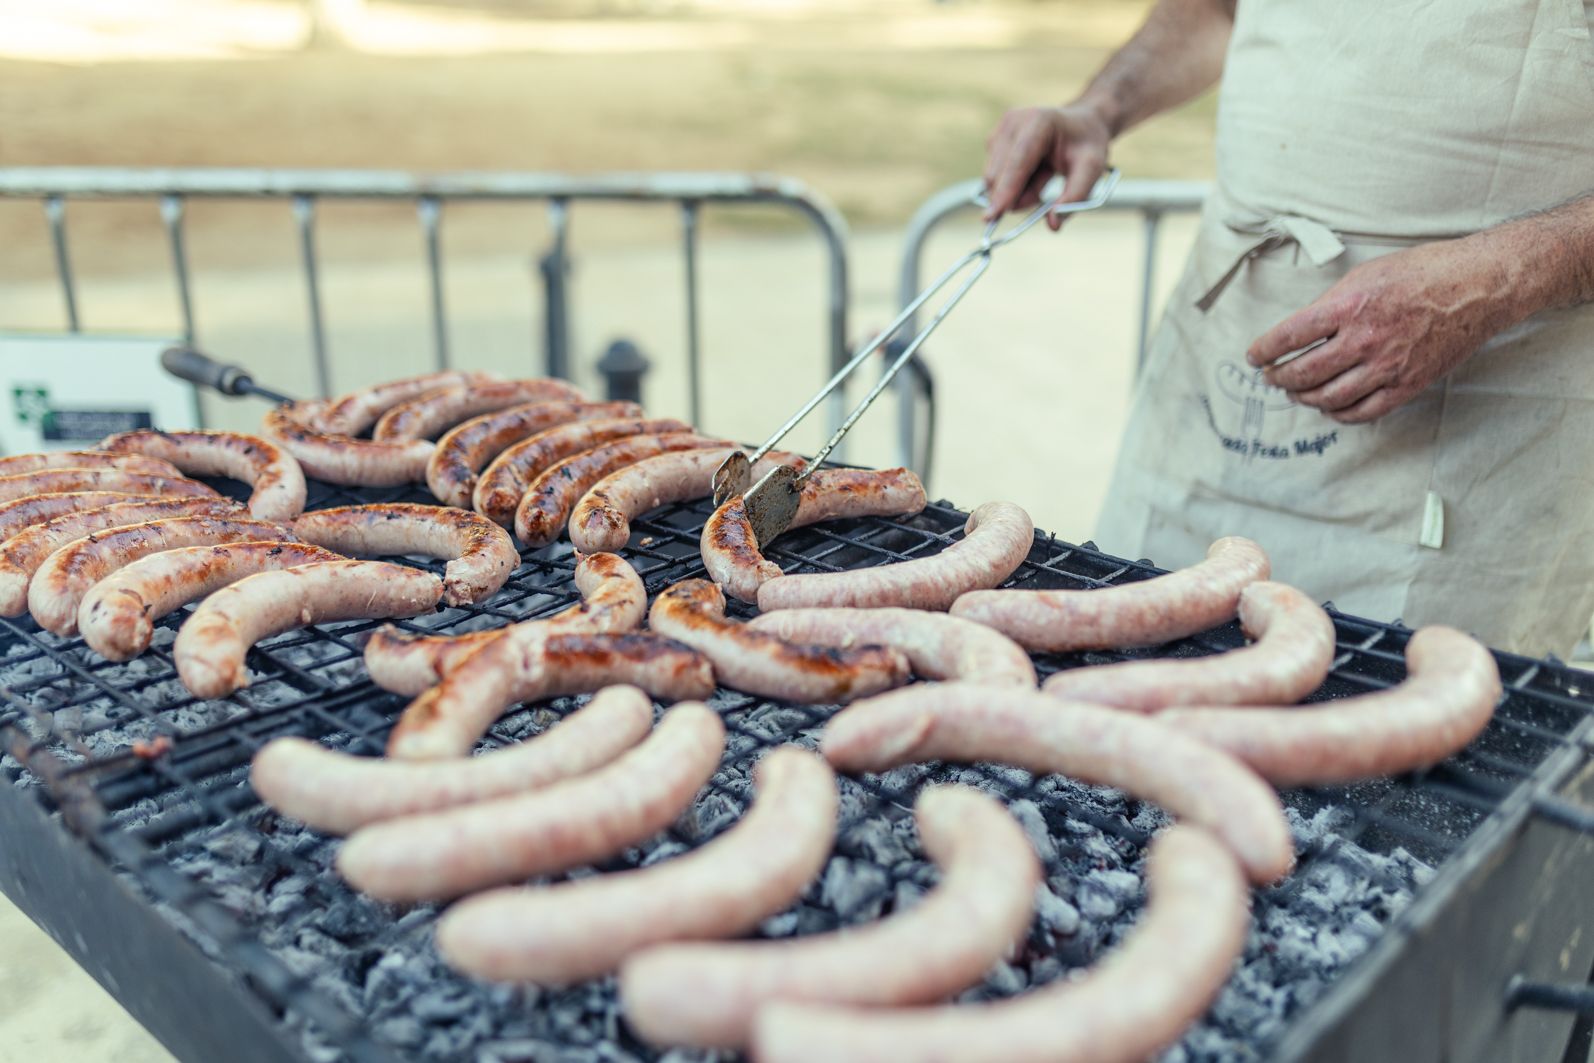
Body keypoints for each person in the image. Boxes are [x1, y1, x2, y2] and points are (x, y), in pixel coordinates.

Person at [982, 0, 1594, 656]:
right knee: (1113, 681)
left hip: (1471, 430)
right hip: (1213, 385)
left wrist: (1483, 284)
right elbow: (1217, 10)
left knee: (1401, 744)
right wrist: (1100, 109)